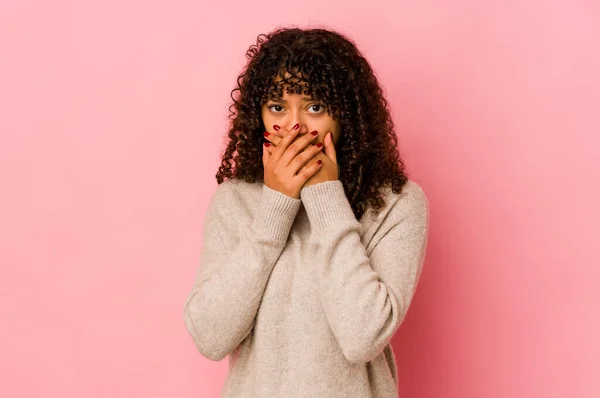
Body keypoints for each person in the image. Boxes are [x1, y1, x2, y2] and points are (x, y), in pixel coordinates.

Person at [183, 27, 430, 397]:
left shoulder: (397, 203)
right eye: (277, 107)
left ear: (345, 114)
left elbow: (363, 336)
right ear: (260, 116)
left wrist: (326, 196)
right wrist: (275, 208)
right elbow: (210, 336)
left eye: (315, 106)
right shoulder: (235, 202)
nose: (294, 126)